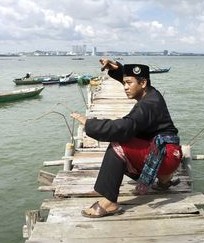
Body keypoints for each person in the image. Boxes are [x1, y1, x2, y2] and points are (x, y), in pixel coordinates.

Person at [70, 58, 182, 218]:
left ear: (142, 84)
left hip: (166, 157)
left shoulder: (146, 105)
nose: (125, 87)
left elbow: (123, 128)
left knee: (118, 143)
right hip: (170, 153)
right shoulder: (152, 93)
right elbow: (136, 76)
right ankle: (164, 179)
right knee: (133, 138)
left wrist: (89, 123)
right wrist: (118, 69)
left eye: (129, 83)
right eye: (124, 83)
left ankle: (109, 203)